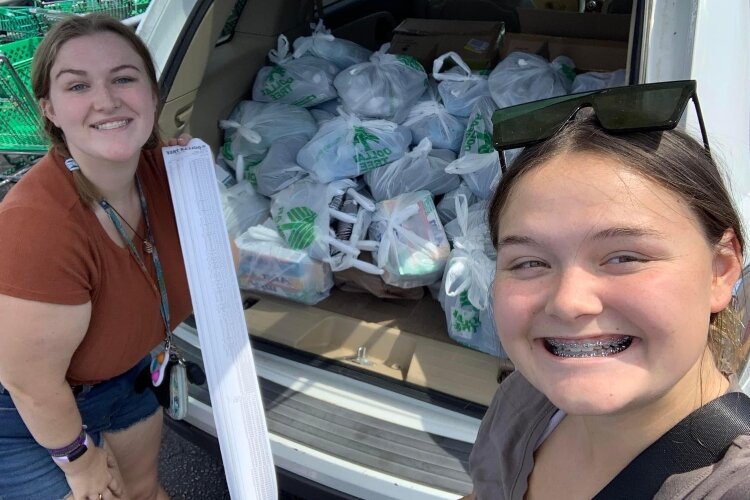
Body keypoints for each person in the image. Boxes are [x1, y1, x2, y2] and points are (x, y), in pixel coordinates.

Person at [467, 82, 750, 499]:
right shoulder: (526, 400)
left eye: (624, 257)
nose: (568, 303)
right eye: (530, 262)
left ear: (721, 270)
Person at [0, 14, 194, 499]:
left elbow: (224, 269)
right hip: (34, 415)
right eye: (78, 85)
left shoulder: (170, 178)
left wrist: (203, 198)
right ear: (50, 109)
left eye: (124, 78)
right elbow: (30, 383)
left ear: (152, 92)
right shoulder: (36, 225)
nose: (106, 100)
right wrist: (78, 460)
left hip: (125, 379)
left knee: (144, 492)